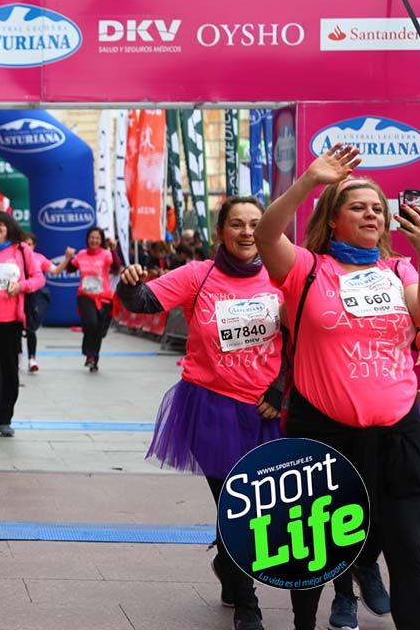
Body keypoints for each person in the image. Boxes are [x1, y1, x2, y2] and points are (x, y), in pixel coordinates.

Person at [256, 143, 420, 630]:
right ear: (334, 219)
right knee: (313, 559)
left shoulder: (398, 270)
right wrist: (307, 182)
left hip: (398, 439)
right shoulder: (306, 268)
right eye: (358, 206)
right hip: (325, 441)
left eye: (378, 210)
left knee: (410, 553)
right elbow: (265, 234)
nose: (371, 214)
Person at [116, 197, 284, 630]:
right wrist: (127, 281)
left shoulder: (284, 274)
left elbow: (306, 334)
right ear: (220, 232)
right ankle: (249, 605)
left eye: (255, 224)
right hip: (211, 406)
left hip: (267, 410)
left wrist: (281, 388)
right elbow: (141, 301)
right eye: (237, 224)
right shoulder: (198, 274)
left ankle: (230, 568)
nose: (247, 232)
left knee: (262, 508)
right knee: (239, 505)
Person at [0, 211, 45, 438]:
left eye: (0, 224)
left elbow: (39, 278)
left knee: (10, 370)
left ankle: (6, 419)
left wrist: (21, 286)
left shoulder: (22, 250)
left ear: (9, 226)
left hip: (13, 320)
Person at [62, 227, 119, 372]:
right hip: (85, 296)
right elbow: (70, 269)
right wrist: (68, 257)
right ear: (88, 239)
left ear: (101, 241)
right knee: (91, 323)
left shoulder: (106, 255)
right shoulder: (81, 255)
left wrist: (113, 249)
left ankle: (94, 358)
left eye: (97, 238)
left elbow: (117, 267)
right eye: (92, 237)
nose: (94, 240)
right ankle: (89, 355)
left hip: (104, 297)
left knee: (99, 329)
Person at [22, 233, 65, 374]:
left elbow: (56, 270)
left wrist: (68, 257)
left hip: (34, 296)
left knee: (31, 329)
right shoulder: (15, 258)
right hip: (18, 295)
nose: (27, 247)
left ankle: (32, 359)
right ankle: (16, 355)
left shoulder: (39, 258)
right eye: (24, 244)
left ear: (34, 245)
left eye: (30, 244)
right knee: (15, 328)